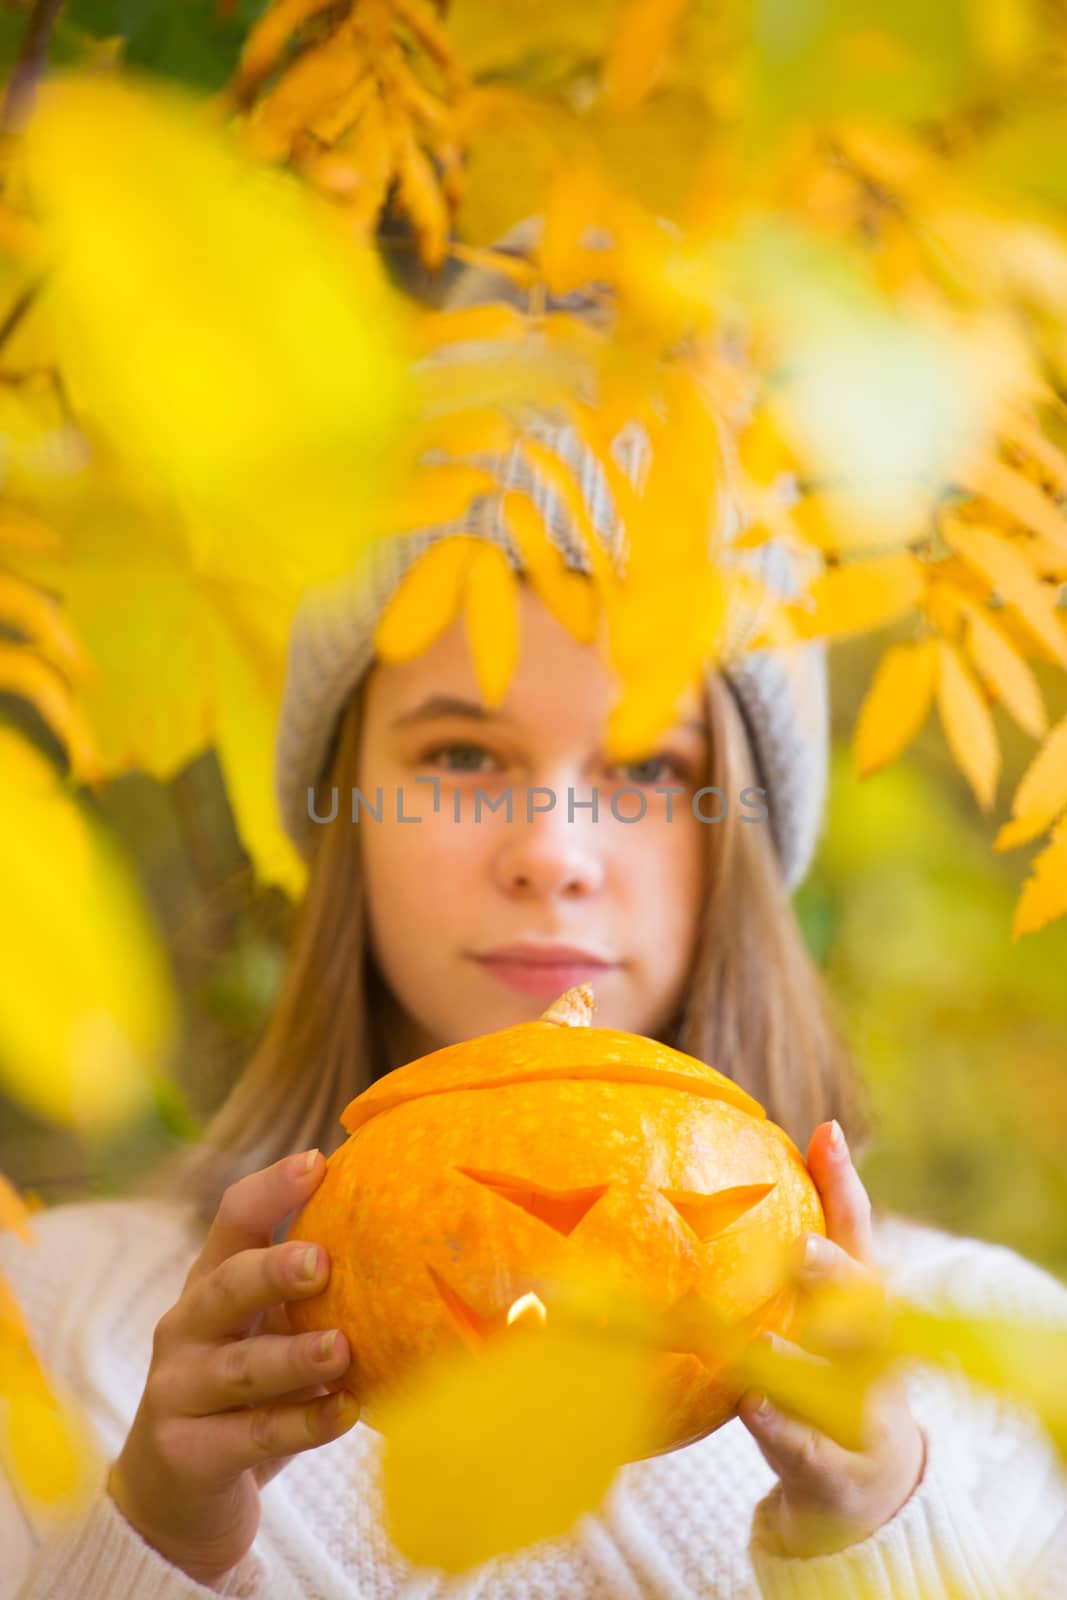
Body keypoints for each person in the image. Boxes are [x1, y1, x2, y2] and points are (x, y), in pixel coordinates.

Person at [3, 226, 1067, 1600]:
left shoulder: (996, 1369)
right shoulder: (59, 1321)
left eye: (643, 768)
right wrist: (157, 1541)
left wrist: (877, 1534)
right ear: (350, 810)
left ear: (737, 837)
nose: (553, 851)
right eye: (460, 756)